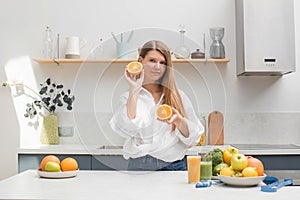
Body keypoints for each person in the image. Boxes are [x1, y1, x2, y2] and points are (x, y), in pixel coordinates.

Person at [110, 40, 204, 171]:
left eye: (163, 62)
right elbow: (127, 128)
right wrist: (134, 88)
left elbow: (194, 137)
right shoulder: (128, 97)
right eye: (152, 61)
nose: (157, 67)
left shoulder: (178, 97)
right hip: (140, 165)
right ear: (140, 61)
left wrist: (178, 120)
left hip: (174, 166)